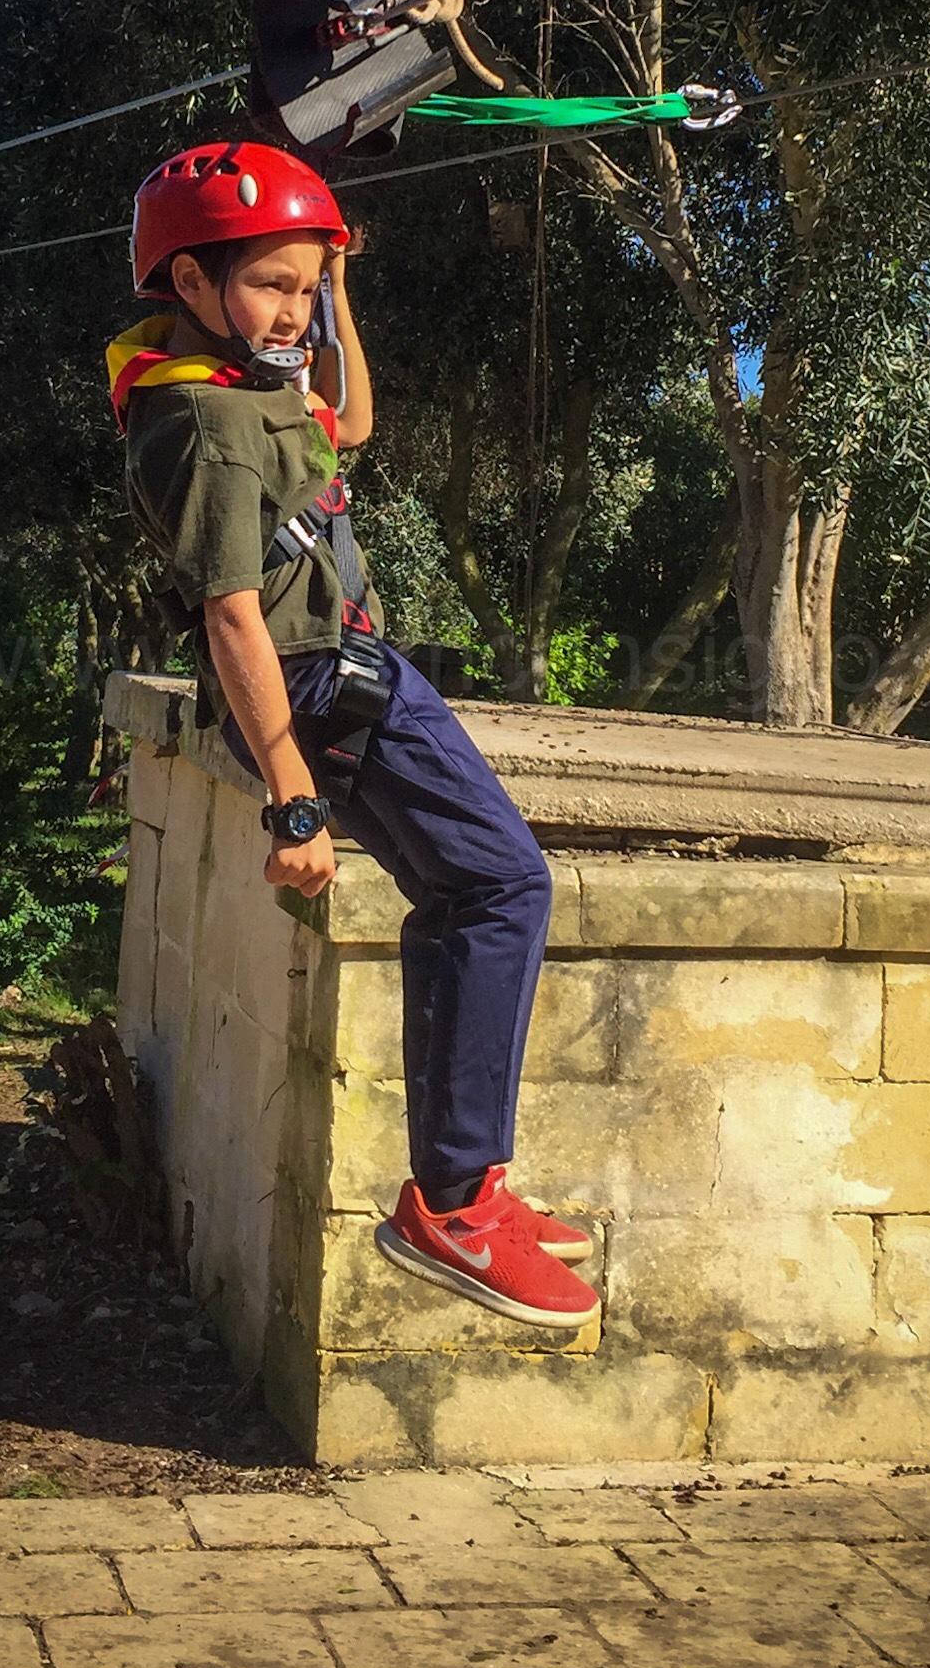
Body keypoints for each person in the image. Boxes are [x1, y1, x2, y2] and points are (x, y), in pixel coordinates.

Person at [107, 140, 600, 1330]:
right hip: (319, 689)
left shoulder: (254, 381)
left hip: (349, 670)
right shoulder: (206, 421)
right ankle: (454, 1205)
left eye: (302, 284)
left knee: (468, 894)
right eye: (269, 283)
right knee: (501, 887)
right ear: (190, 281)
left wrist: (336, 287)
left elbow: (356, 421)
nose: (292, 309)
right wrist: (292, 795)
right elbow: (230, 616)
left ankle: (463, 1184)